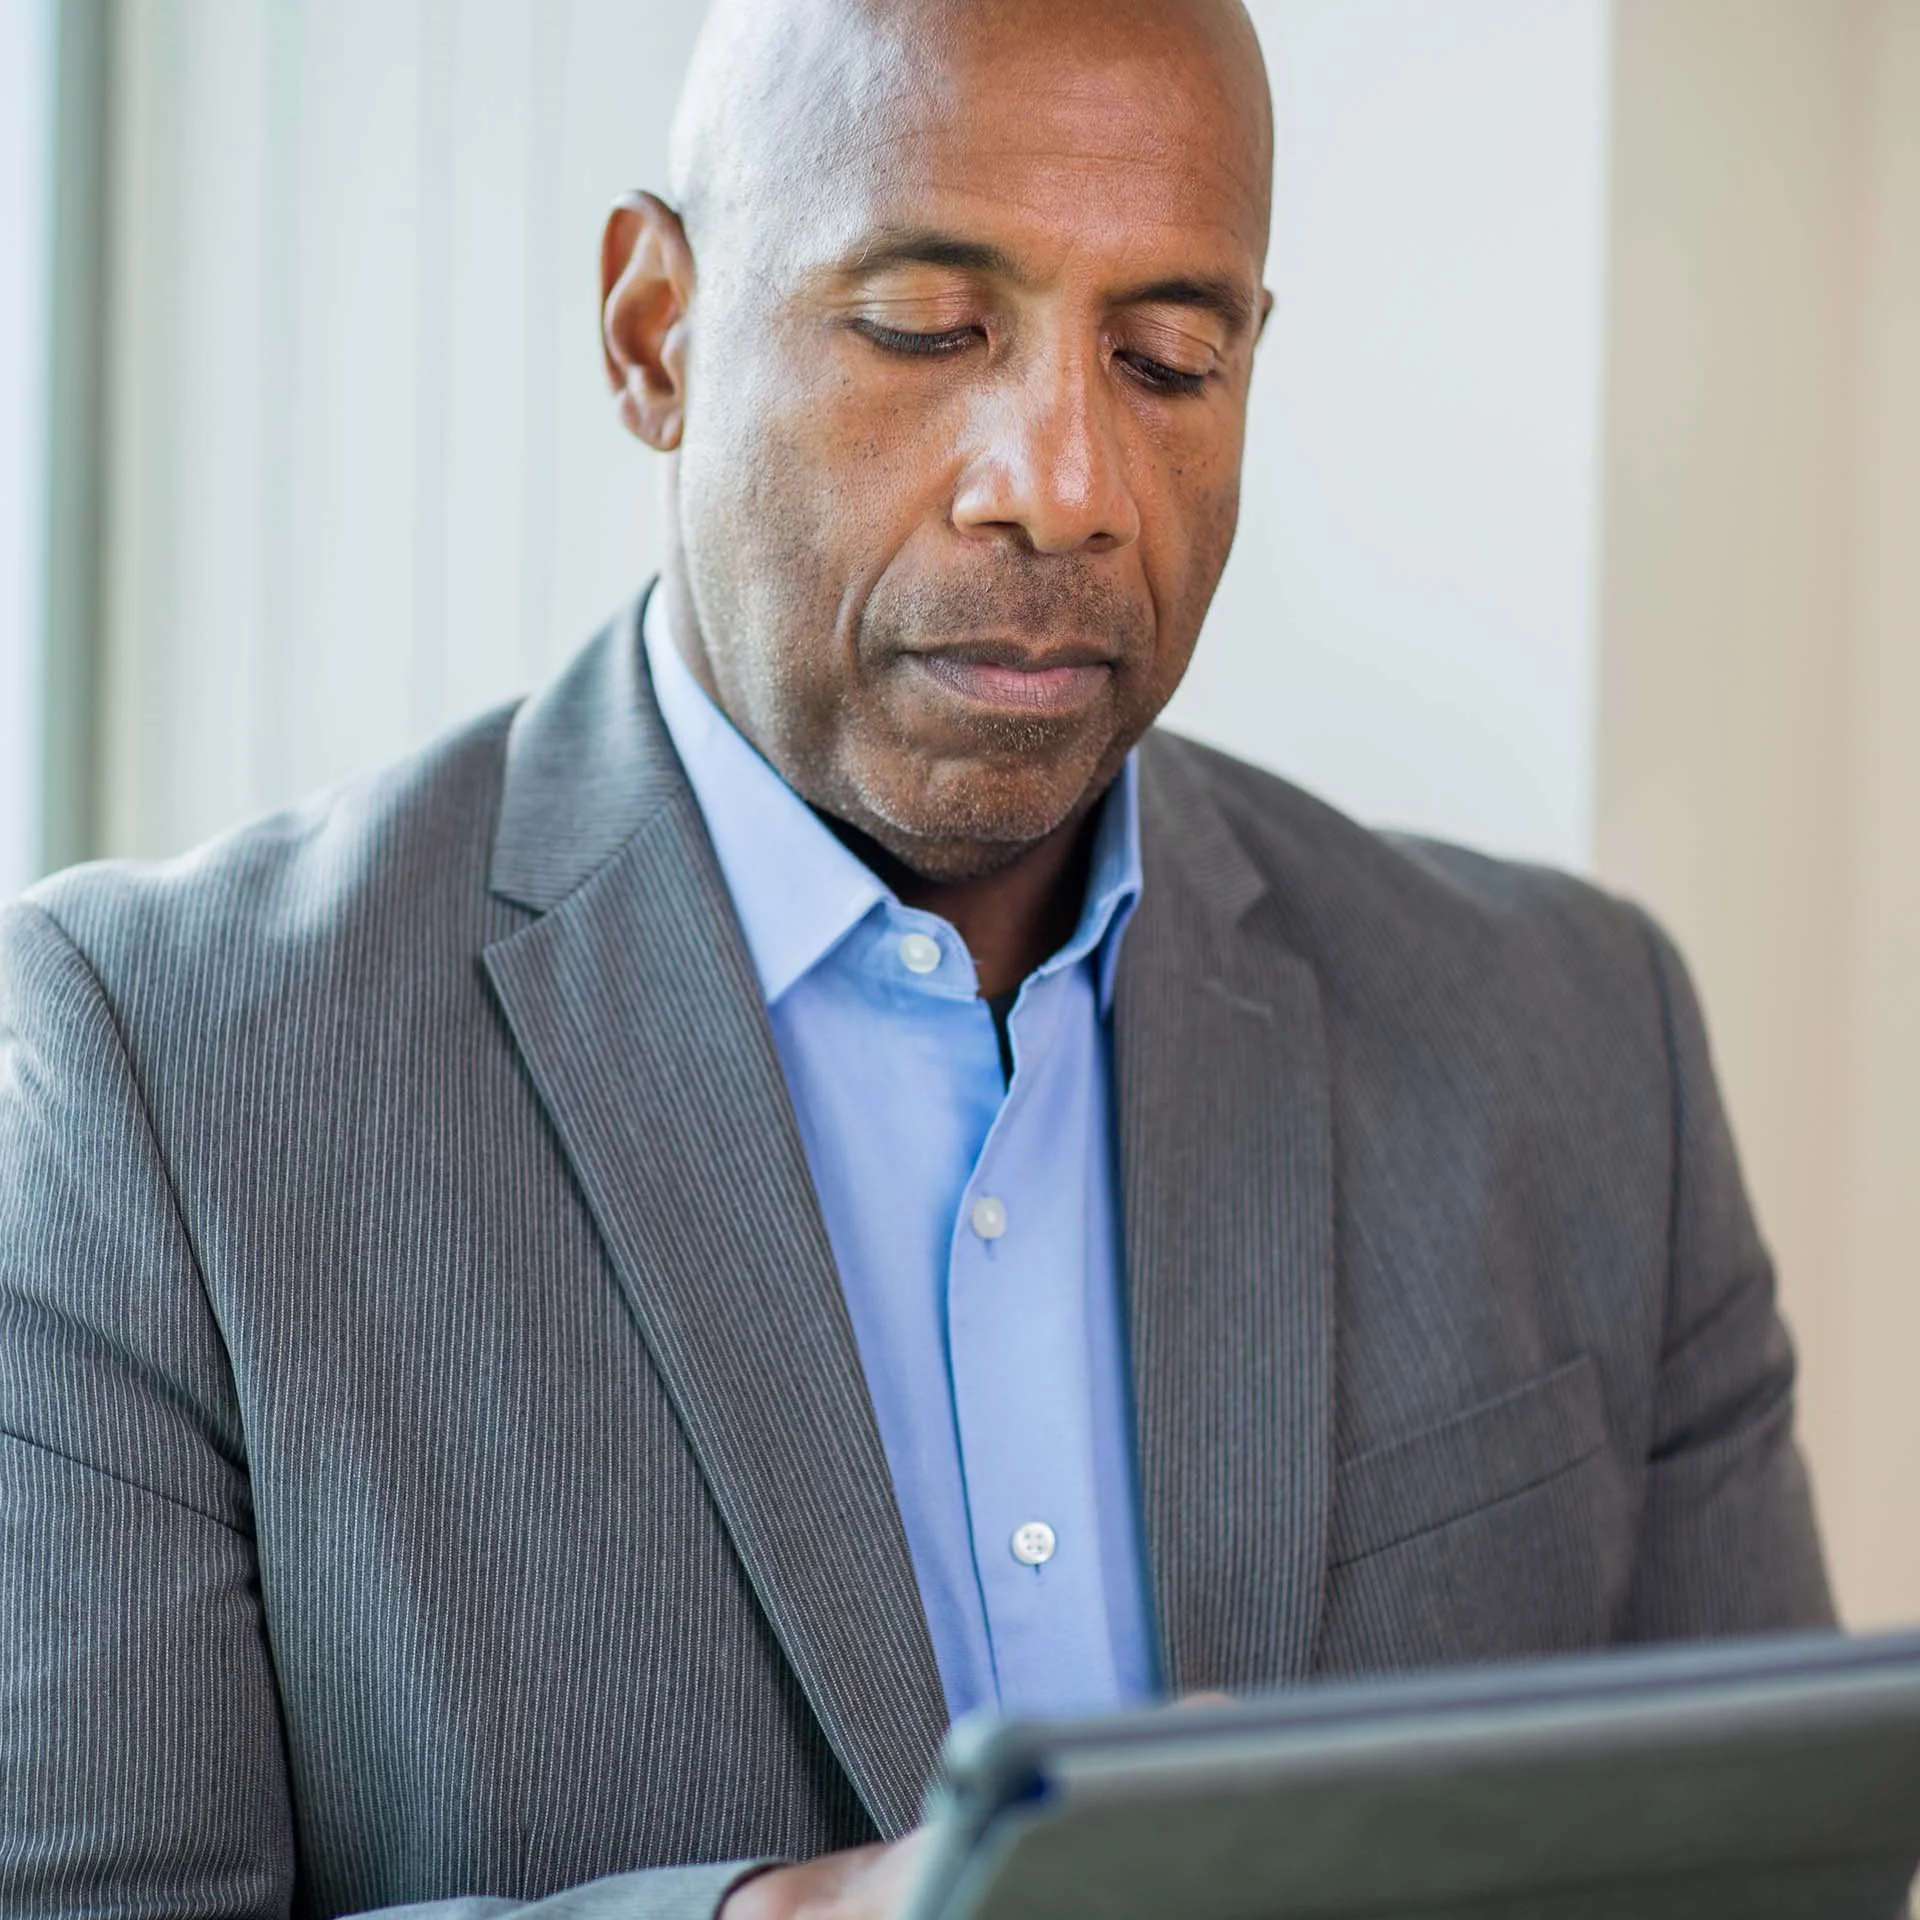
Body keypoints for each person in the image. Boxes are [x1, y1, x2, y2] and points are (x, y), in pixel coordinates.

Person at [0, 1, 1832, 1916]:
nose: (1062, 480)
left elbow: (1781, 1878)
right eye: (926, 329)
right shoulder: (162, 1079)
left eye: (1168, 359)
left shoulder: (1580, 1041)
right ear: (652, 331)